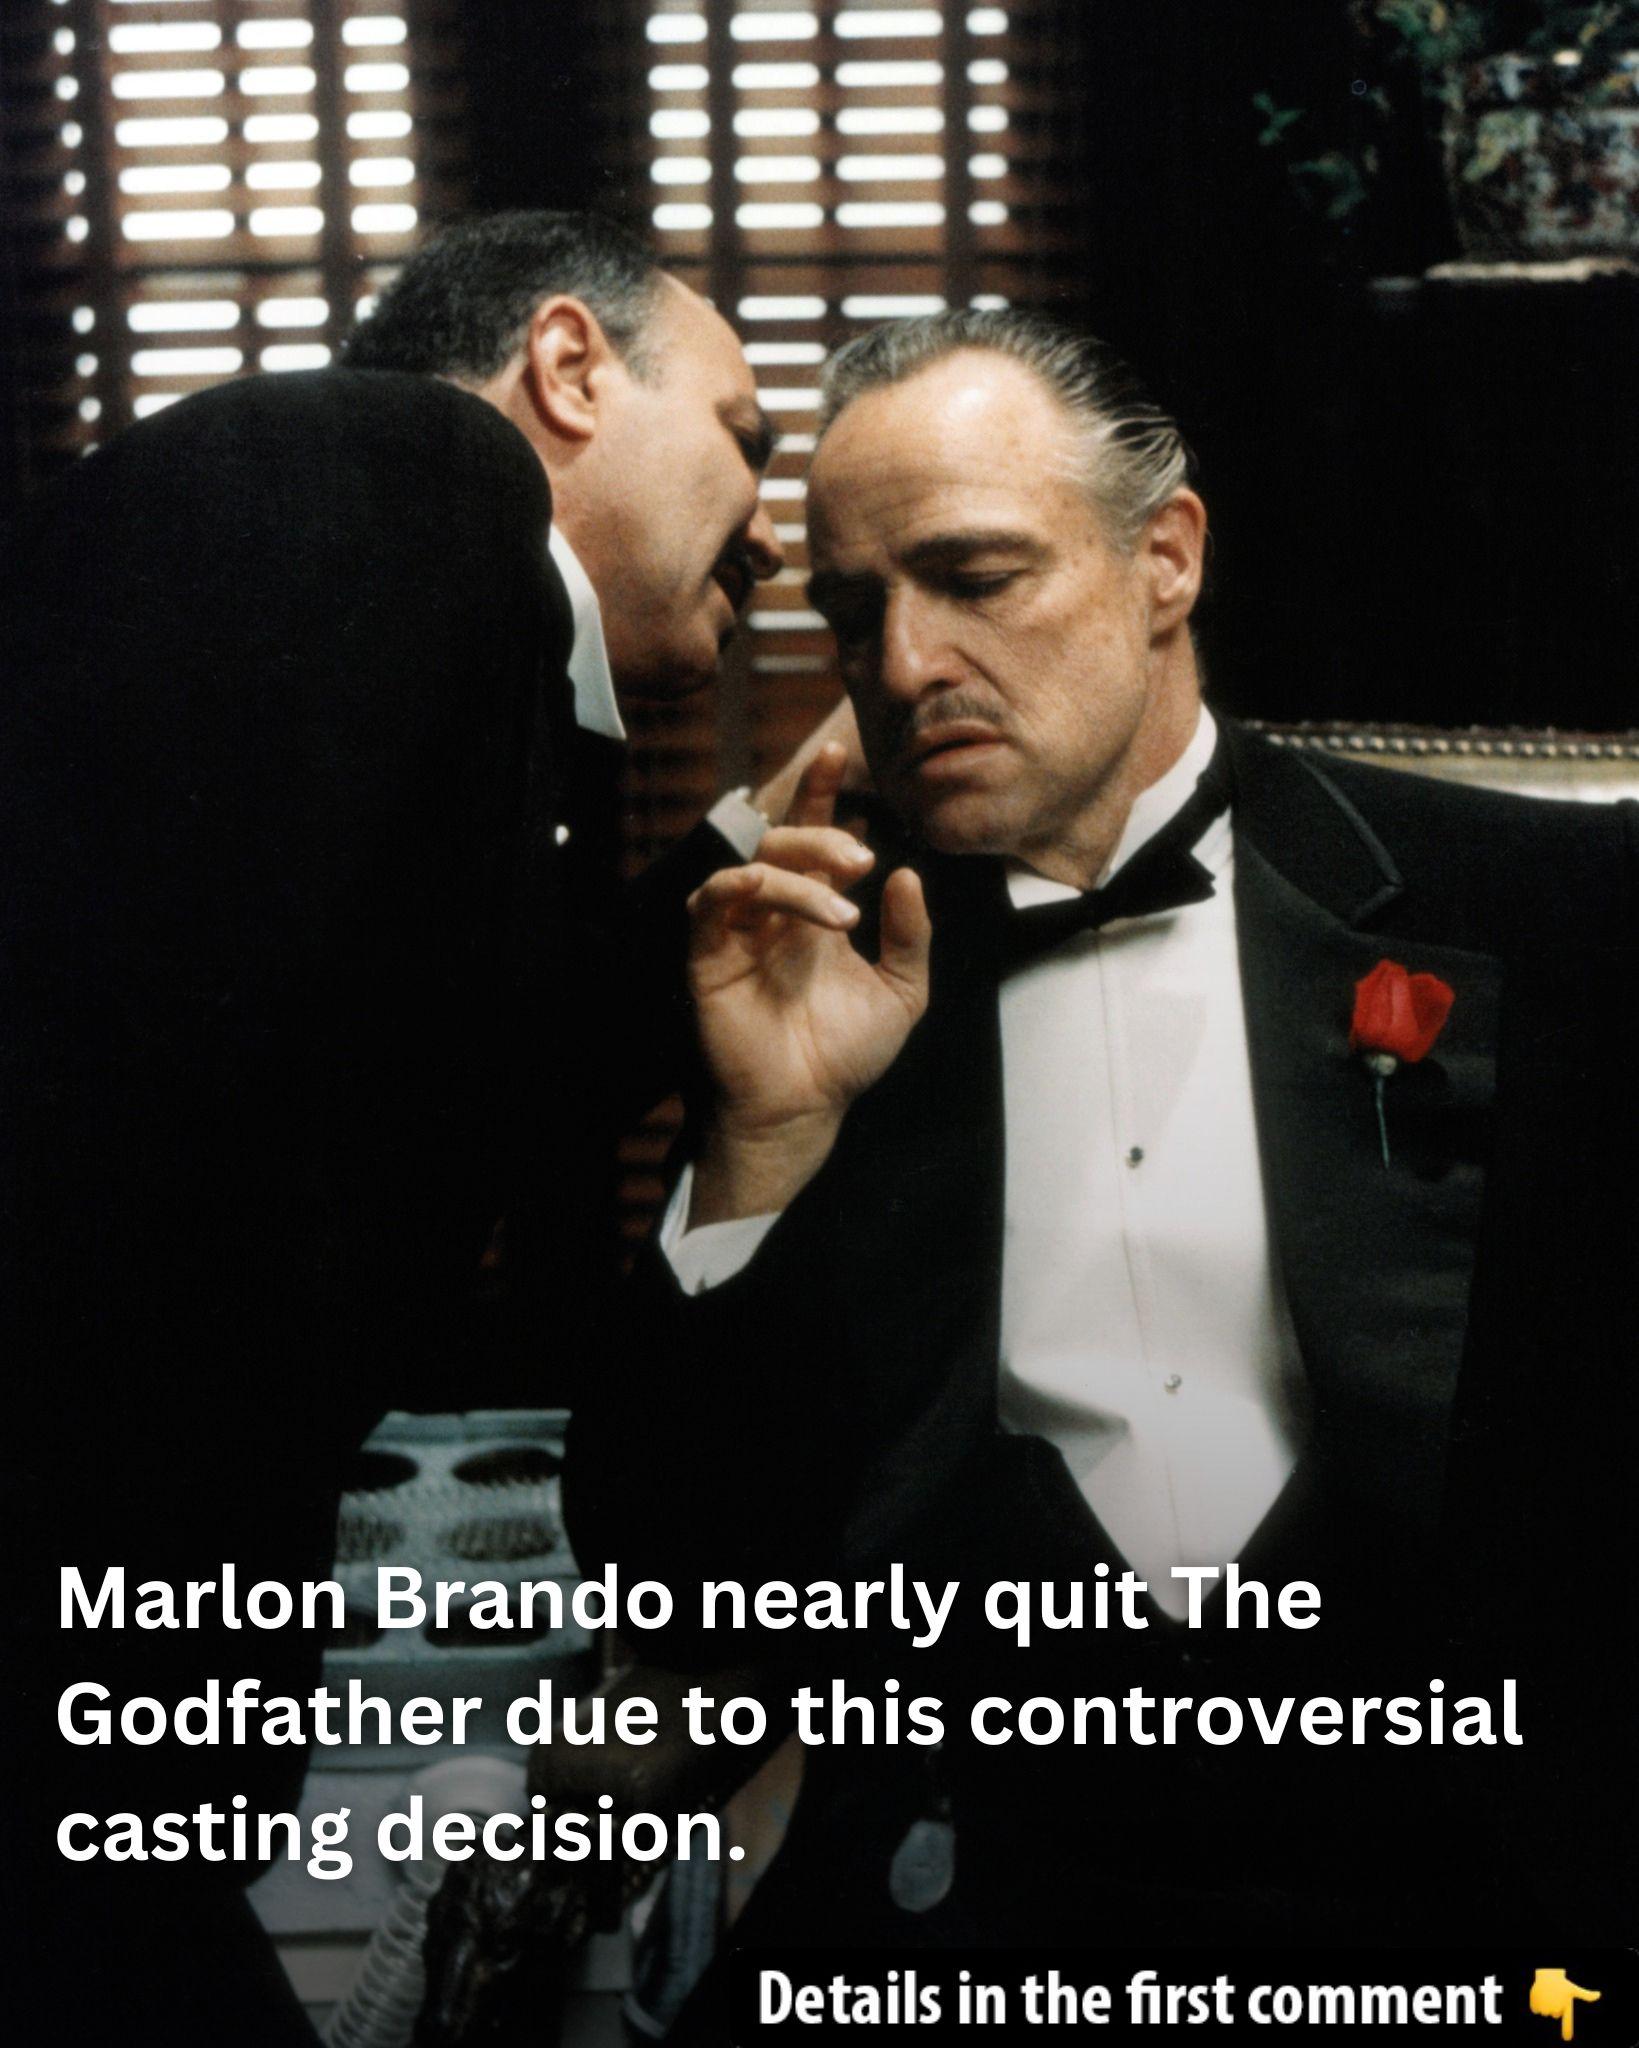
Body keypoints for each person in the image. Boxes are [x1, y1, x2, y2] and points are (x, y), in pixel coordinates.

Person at [567, 310, 1638, 1965]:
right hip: (976, 1904)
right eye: (853, 612)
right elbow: (686, 1581)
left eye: (975, 578)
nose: (902, 667)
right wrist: (762, 1148)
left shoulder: (1549, 913)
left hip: (1461, 1898)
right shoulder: (811, 985)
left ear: (1165, 561)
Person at [0, 210, 852, 2041]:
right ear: (568, 370)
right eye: (744, 438)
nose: (772, 534)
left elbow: (426, 1075)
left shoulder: (426, 631)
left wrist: (743, 845)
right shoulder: (405, 471)